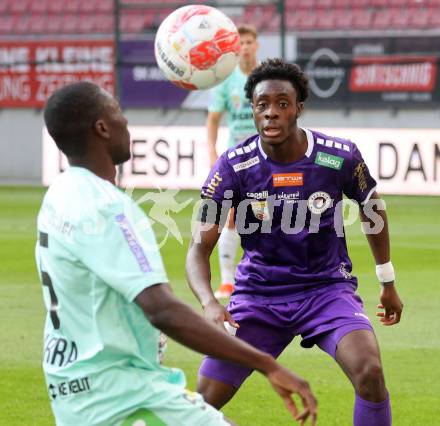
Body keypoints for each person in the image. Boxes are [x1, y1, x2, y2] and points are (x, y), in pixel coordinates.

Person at [35, 81, 317, 426]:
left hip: (73, 387)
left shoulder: (60, 194)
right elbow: (162, 310)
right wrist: (267, 364)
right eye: (119, 114)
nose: (126, 123)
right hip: (120, 394)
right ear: (102, 128)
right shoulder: (107, 209)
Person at [186, 59, 404, 426]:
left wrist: (387, 281)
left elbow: (372, 210)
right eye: (262, 105)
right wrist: (209, 302)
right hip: (258, 297)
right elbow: (198, 247)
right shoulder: (232, 167)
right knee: (202, 400)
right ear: (251, 110)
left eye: (282, 104)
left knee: (369, 372)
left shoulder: (338, 155)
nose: (271, 113)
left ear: (298, 108)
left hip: (326, 290)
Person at [206, 24, 259, 299]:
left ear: (256, 45)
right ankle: (227, 281)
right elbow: (213, 118)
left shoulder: (266, 77)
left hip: (266, 158)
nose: (246, 47)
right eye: (242, 42)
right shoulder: (227, 81)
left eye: (250, 41)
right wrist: (212, 151)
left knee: (271, 217)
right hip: (238, 159)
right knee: (232, 217)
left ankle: (264, 276)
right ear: (235, 48)